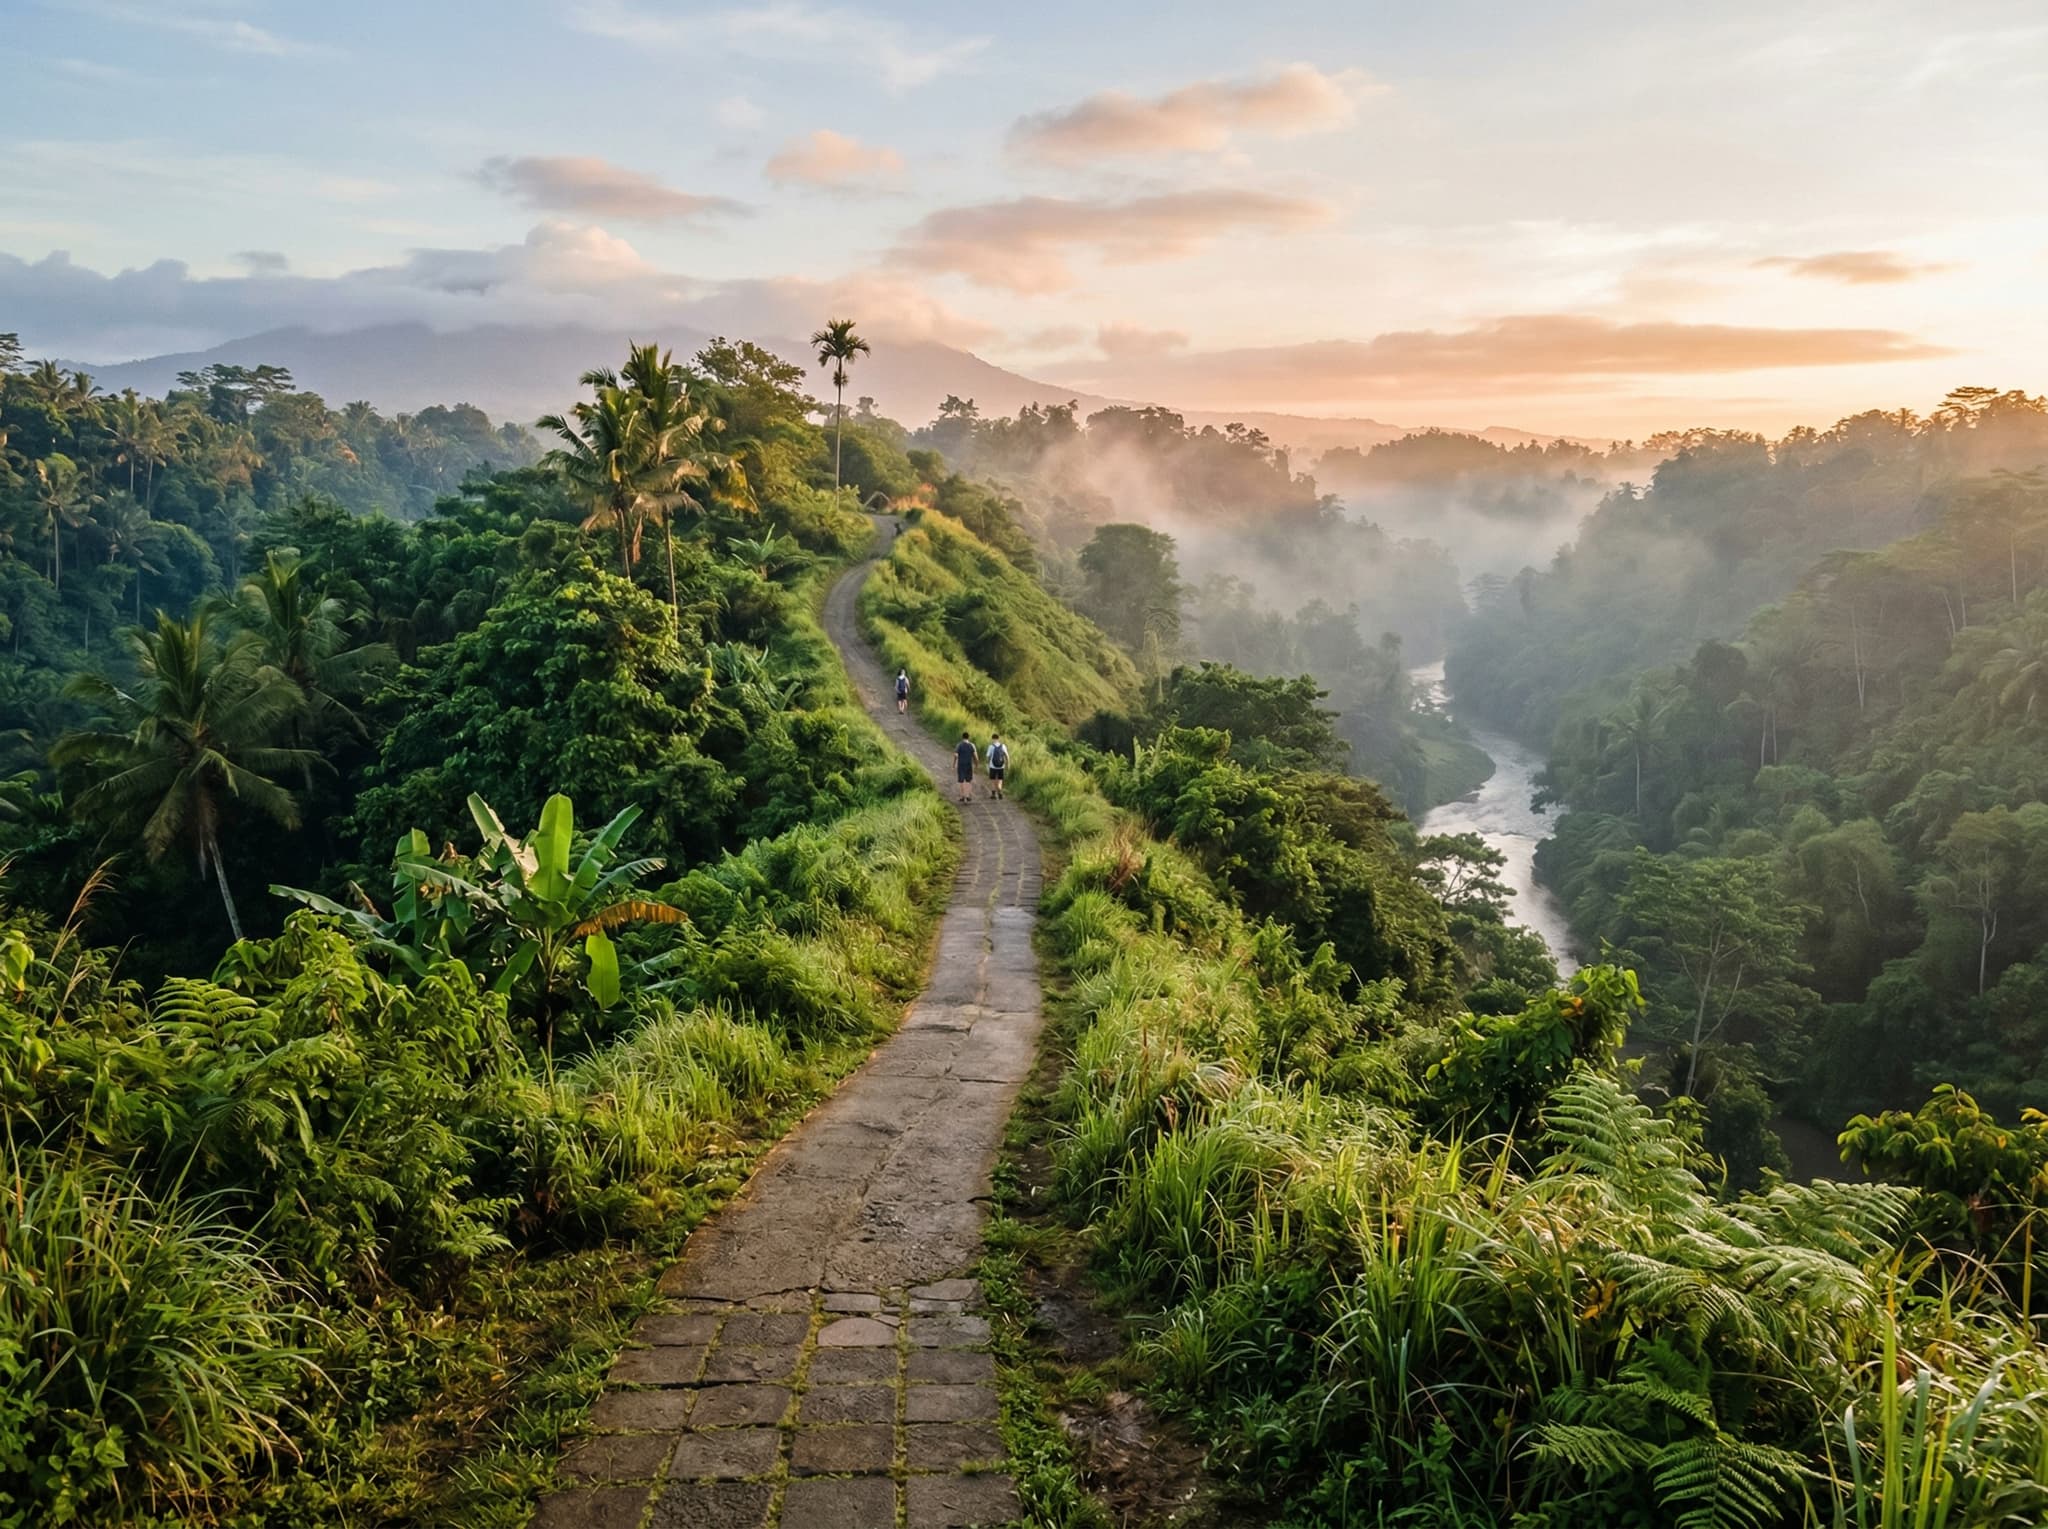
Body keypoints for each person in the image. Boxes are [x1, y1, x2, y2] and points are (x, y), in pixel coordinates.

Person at [954, 731, 976, 803]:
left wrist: (954, 764)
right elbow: (975, 756)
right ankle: (967, 796)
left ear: (962, 737)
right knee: (968, 781)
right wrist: (976, 764)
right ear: (968, 737)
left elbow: (956, 755)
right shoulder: (972, 745)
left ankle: (963, 796)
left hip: (961, 764)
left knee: (961, 781)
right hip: (969, 764)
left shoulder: (959, 745)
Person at [986, 733, 1009, 799]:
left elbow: (987, 757)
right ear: (998, 739)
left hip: (992, 766)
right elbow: (1007, 756)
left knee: (993, 780)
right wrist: (1008, 764)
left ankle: (993, 795)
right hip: (1001, 766)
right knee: (1000, 780)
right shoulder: (1003, 746)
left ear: (992, 738)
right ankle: (1000, 792)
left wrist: (987, 765)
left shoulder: (991, 746)